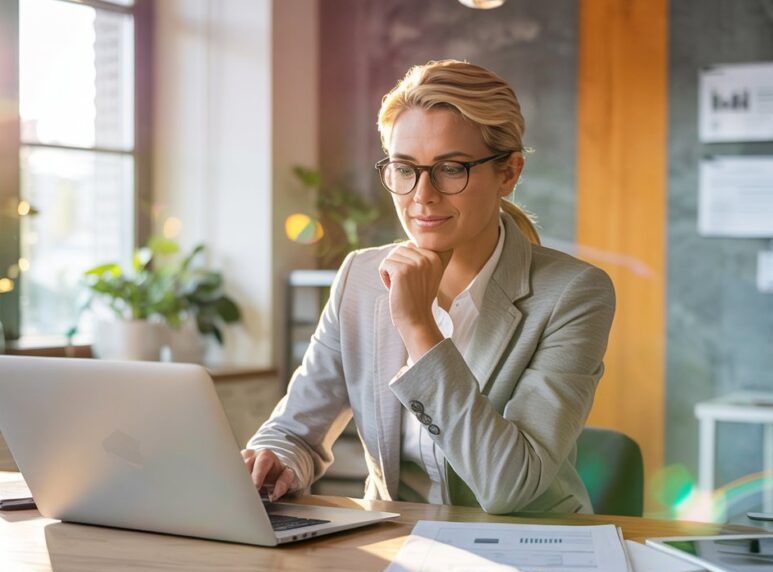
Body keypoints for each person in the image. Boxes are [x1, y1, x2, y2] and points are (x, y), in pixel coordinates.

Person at [243, 59, 615, 514]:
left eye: (451, 168)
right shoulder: (359, 277)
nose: (422, 195)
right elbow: (294, 431)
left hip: (525, 555)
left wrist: (419, 326)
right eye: (404, 168)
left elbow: (510, 485)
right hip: (391, 551)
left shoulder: (573, 294)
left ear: (509, 172)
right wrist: (274, 462)